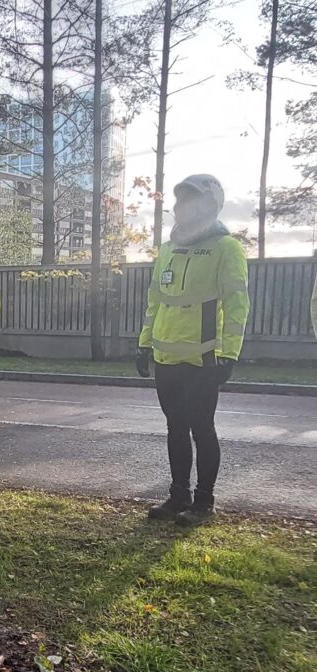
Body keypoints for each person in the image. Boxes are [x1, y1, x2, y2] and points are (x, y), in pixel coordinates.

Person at [136, 174, 250, 526]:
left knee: (202, 428)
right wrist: (144, 344)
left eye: (192, 200)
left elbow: (236, 304)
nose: (183, 206)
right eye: (181, 200)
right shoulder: (168, 249)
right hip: (166, 356)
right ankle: (178, 495)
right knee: (175, 427)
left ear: (210, 205)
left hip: (203, 357)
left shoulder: (225, 248)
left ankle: (204, 502)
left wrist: (229, 353)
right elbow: (156, 300)